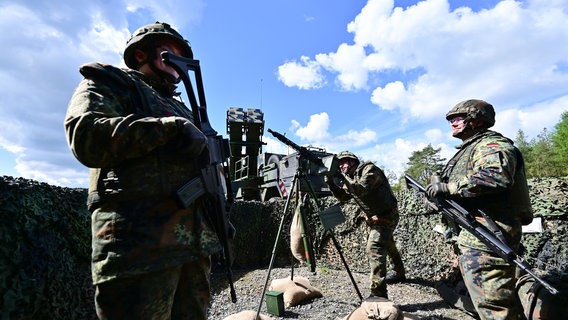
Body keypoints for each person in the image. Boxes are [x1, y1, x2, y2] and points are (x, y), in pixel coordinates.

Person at [64, 22, 222, 320]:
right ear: (141, 54)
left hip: (193, 252)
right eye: (171, 50)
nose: (180, 59)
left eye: (183, 53)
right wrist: (167, 130)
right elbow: (85, 136)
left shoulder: (186, 110)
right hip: (139, 250)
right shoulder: (112, 83)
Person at [426, 99, 532, 320]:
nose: (452, 123)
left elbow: (497, 176)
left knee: (494, 309)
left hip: (488, 237)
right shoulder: (471, 149)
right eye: (451, 119)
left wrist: (449, 187)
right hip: (477, 236)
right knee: (493, 304)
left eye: (458, 118)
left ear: (475, 120)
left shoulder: (491, 145)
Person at [325, 151, 406, 299]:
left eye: (343, 162)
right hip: (377, 218)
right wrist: (330, 182)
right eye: (339, 164)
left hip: (387, 216)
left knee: (374, 248)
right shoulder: (352, 177)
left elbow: (360, 190)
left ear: (352, 162)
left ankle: (379, 294)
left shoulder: (369, 170)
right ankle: (400, 274)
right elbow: (343, 197)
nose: (341, 166)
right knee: (389, 245)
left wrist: (341, 177)